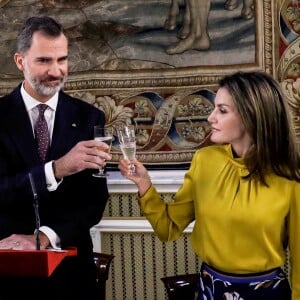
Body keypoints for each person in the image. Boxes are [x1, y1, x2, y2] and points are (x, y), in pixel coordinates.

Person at [119, 71, 300, 299]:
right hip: (210, 290)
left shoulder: (290, 178)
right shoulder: (205, 161)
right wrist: (144, 184)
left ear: (251, 116)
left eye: (222, 111)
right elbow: (168, 228)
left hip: (266, 293)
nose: (210, 118)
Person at [0, 16, 112, 299]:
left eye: (62, 59)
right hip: (9, 272)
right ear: (19, 61)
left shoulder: (90, 118)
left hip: (72, 275)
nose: (56, 71)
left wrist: (46, 236)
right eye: (44, 61)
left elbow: (94, 201)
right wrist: (57, 168)